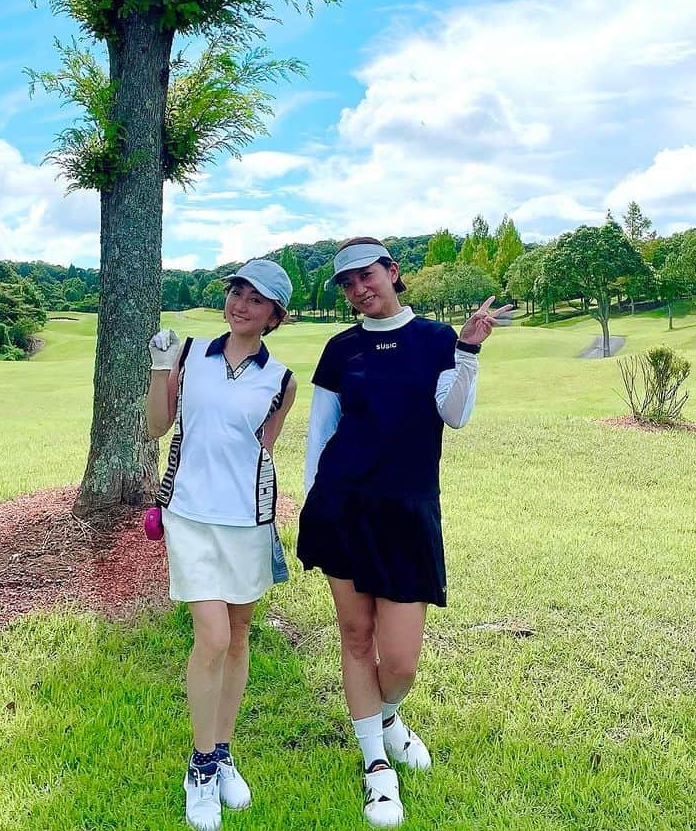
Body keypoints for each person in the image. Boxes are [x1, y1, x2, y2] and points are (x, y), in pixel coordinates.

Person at [296, 237, 513, 827]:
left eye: (367, 276)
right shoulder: (340, 349)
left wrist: (468, 350)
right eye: (347, 284)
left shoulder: (438, 339)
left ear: (393, 273)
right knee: (354, 635)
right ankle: (375, 767)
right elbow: (321, 434)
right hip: (342, 506)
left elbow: (455, 415)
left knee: (401, 658)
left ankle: (387, 715)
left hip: (407, 511)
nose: (358, 290)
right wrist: (311, 504)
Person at [146, 259, 298, 831]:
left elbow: (264, 450)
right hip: (189, 516)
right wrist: (161, 371)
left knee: (237, 640)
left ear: (274, 316)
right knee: (210, 635)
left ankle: (224, 751)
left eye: (256, 299)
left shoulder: (280, 380)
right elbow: (155, 427)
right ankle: (201, 765)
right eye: (236, 291)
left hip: (247, 524)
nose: (241, 304)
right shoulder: (188, 355)